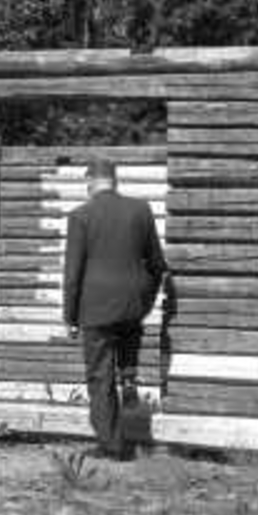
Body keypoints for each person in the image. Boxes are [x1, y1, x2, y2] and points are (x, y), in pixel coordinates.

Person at [63, 154, 167, 459]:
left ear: (90, 182)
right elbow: (158, 264)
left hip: (95, 308)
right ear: (115, 180)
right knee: (126, 343)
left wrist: (70, 315)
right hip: (132, 306)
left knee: (99, 375)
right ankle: (129, 374)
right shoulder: (141, 210)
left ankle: (111, 446)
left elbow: (73, 274)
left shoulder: (80, 216)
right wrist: (145, 301)